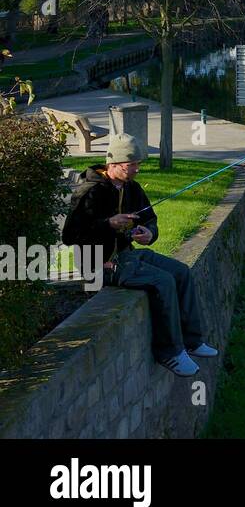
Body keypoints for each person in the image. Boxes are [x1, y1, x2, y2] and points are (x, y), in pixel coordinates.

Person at [62, 134, 217, 377]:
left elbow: (150, 219)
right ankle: (170, 353)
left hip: (127, 256)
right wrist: (109, 224)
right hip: (99, 266)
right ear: (113, 164)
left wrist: (149, 233)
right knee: (162, 282)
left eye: (138, 164)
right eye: (131, 165)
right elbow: (70, 235)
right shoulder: (89, 191)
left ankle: (192, 342)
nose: (137, 170)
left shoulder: (131, 188)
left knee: (181, 272)